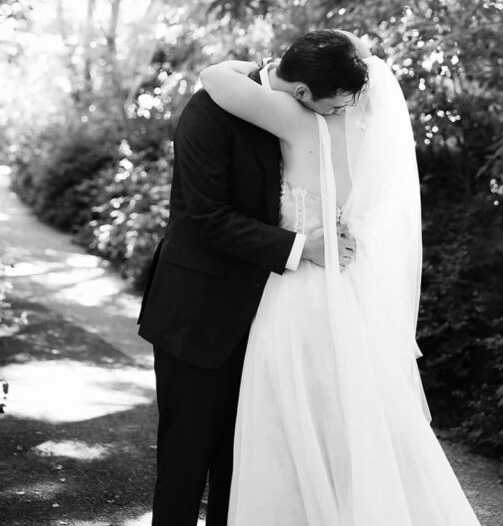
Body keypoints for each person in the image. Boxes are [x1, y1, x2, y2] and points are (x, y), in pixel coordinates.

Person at [198, 32, 483, 525]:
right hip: (350, 290)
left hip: (300, 287)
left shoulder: (294, 115)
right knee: (354, 418)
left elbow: (212, 79)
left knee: (287, 421)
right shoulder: (363, 126)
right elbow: (361, 52)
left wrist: (256, 61)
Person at [137, 30, 368, 526]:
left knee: (245, 464)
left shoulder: (306, 112)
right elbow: (205, 218)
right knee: (185, 459)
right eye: (329, 106)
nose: (334, 115)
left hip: (273, 319)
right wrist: (302, 248)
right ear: (302, 91)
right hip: (199, 311)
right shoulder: (210, 110)